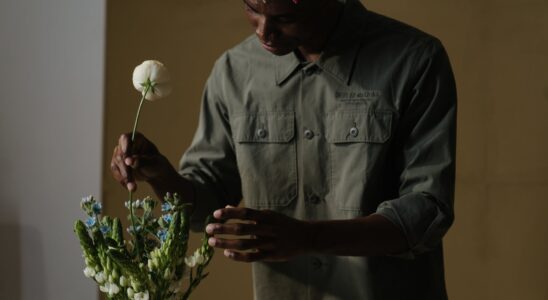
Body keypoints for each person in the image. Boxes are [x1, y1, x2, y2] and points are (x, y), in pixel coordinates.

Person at [111, 0, 457, 299]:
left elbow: (426, 211)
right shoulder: (233, 72)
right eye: (252, 9)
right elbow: (206, 207)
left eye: (284, 18)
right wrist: (161, 175)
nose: (264, 31)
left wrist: (309, 237)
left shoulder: (415, 61)